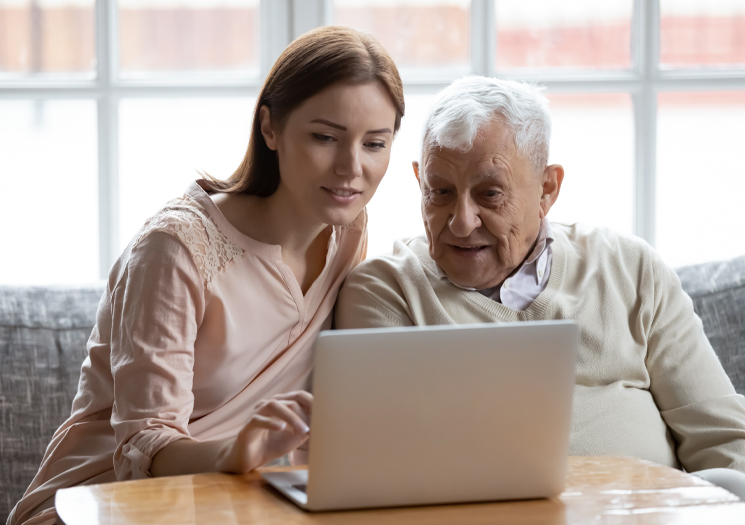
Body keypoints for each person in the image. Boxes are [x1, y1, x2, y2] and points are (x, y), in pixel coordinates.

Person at [9, 26, 404, 525]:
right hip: (106, 503)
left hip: (237, 502)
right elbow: (143, 443)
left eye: (375, 143)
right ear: (270, 129)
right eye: (324, 137)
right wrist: (233, 453)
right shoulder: (174, 250)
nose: (351, 168)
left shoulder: (348, 232)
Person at [335, 76, 745, 480]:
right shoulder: (385, 292)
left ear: (547, 189)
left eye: (490, 194)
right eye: (440, 191)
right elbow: (387, 467)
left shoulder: (631, 267)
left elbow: (724, 440)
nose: (461, 222)